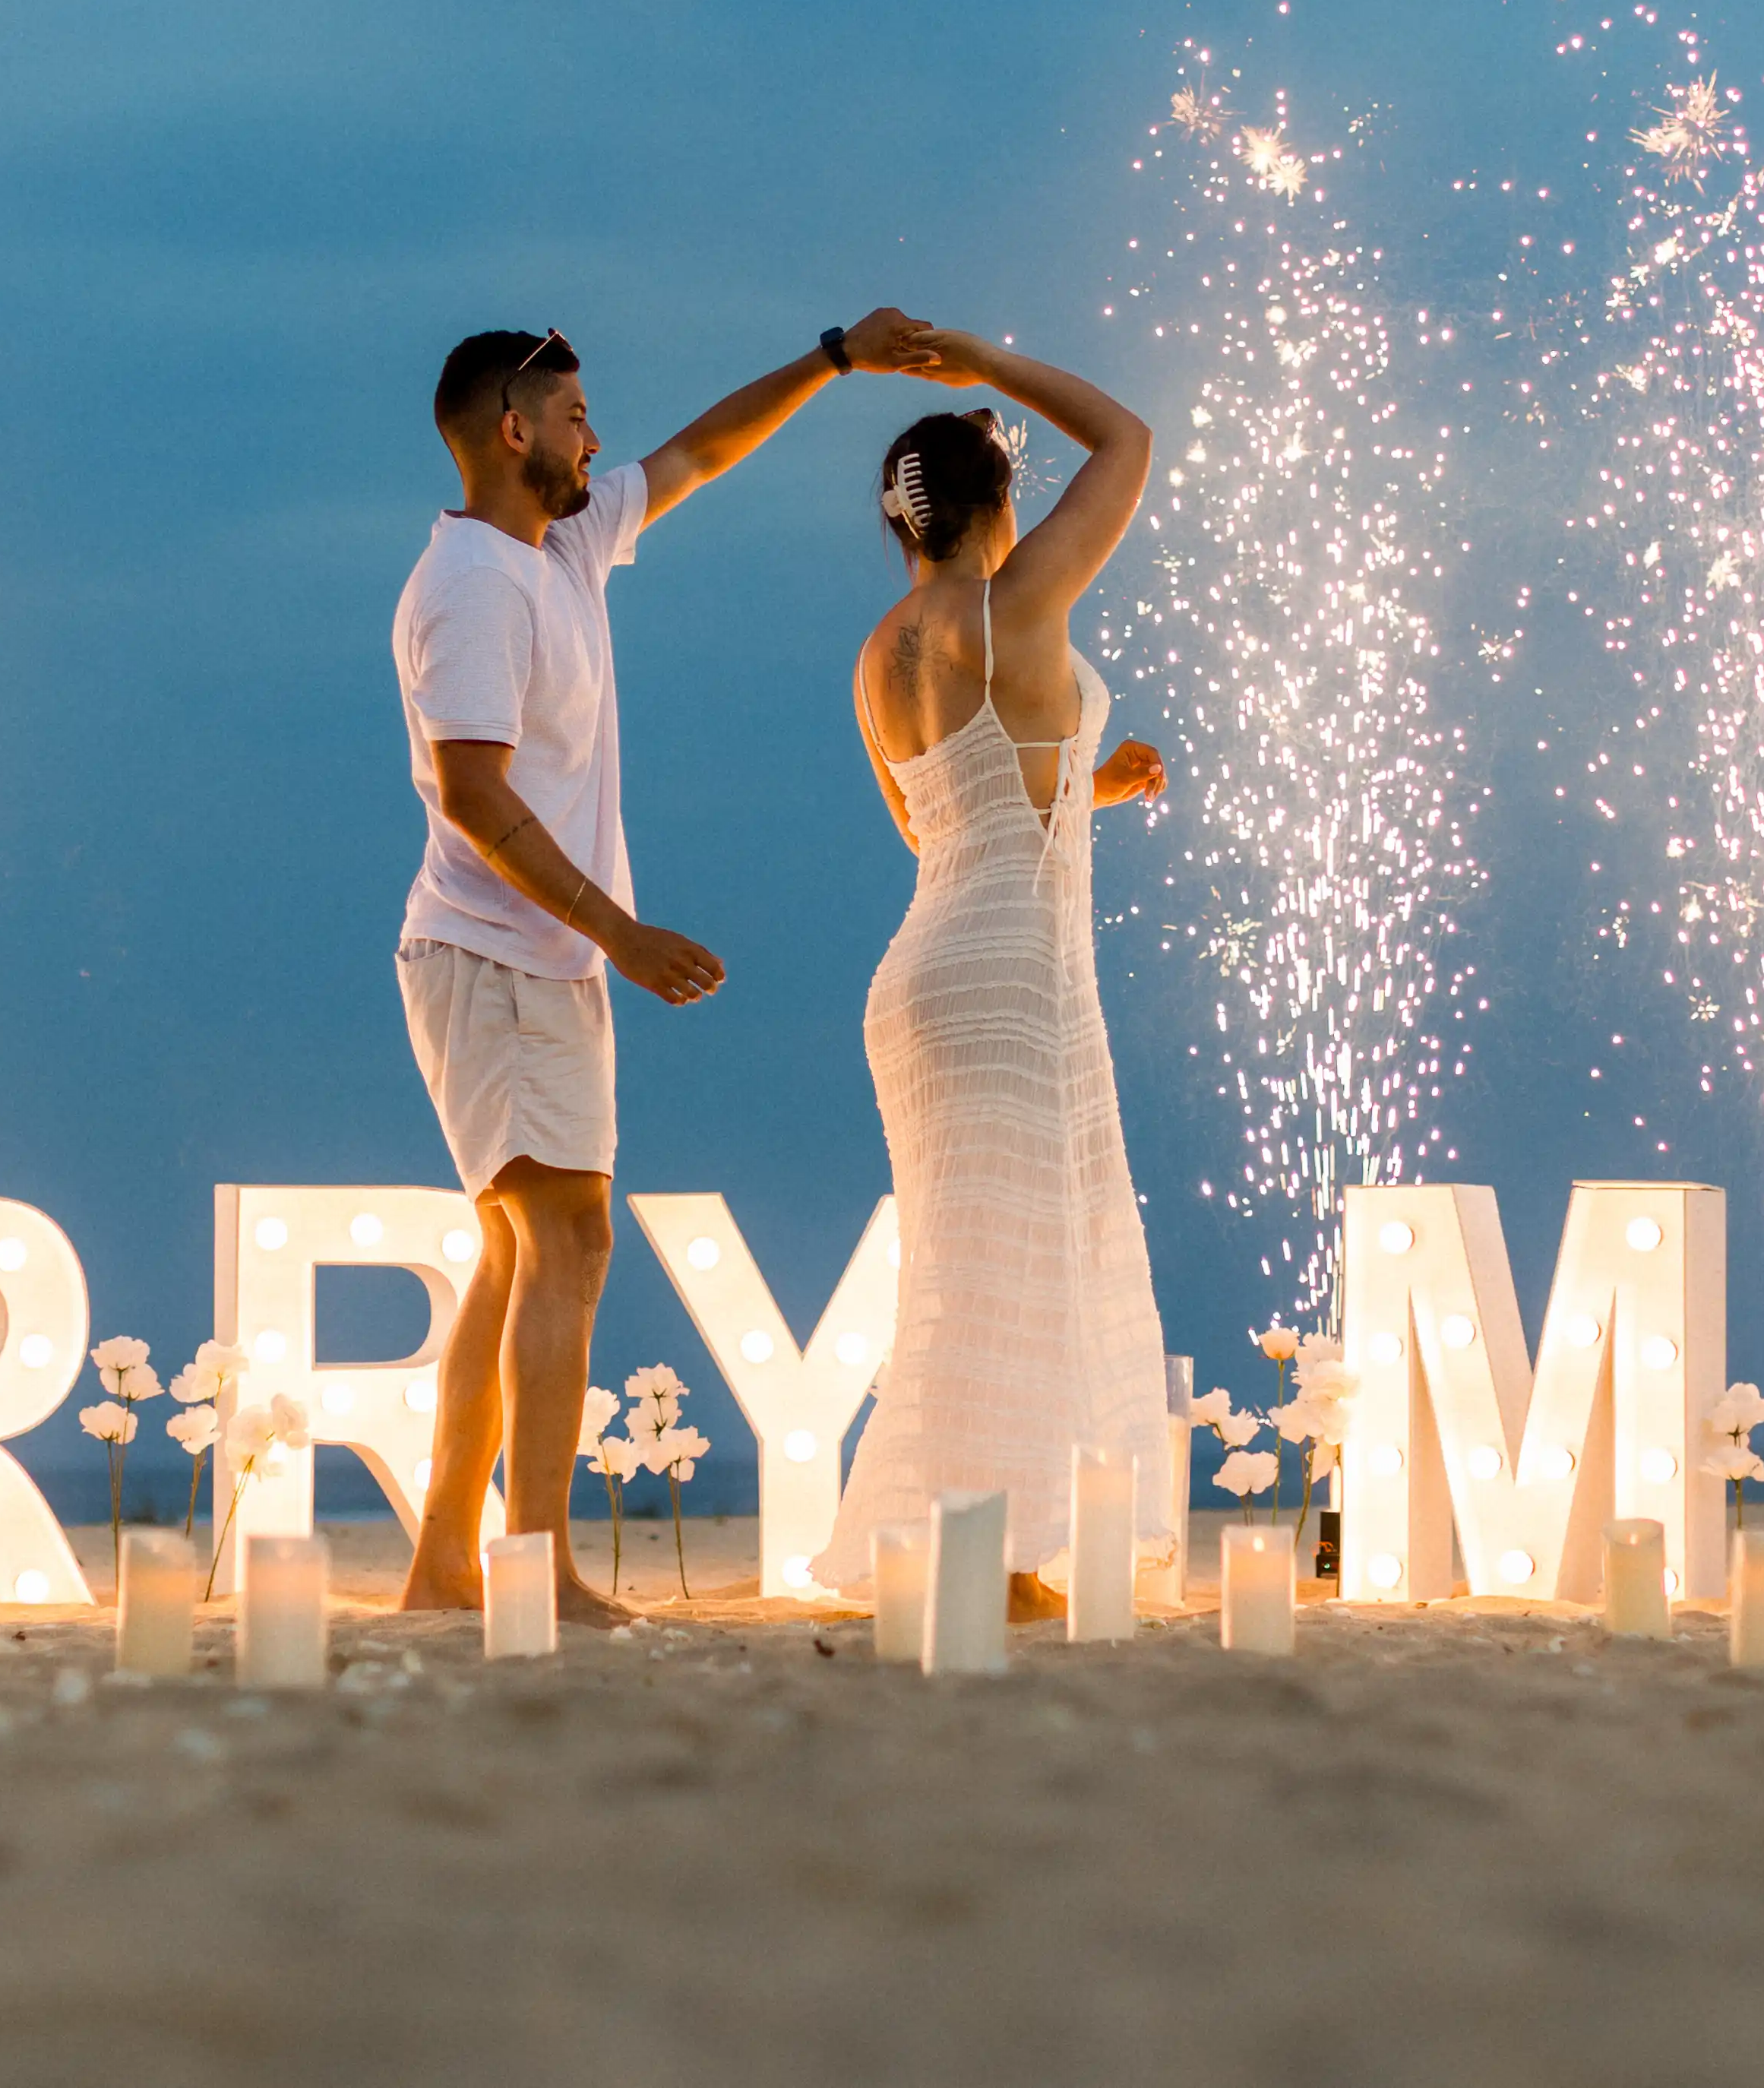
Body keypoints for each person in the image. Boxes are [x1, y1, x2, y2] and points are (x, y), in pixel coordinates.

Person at [393, 310, 942, 1620]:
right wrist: (618, 929)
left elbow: (697, 456)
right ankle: (533, 1569)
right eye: (575, 414)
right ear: (512, 430)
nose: (598, 435)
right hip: (499, 950)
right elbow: (474, 794)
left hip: (535, 960)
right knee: (567, 1239)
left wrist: (833, 360)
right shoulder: (470, 586)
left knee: (517, 1253)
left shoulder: (563, 547)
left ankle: (445, 1570)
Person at [816, 334, 1178, 1618]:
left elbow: (939, 827)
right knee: (1013, 1262)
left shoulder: (880, 653)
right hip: (1008, 982)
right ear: (999, 504)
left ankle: (973, 1544)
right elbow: (1128, 438)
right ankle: (1002, 1561)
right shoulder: (1016, 606)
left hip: (923, 974)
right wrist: (970, 354)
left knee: (961, 1266)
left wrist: (1093, 786)